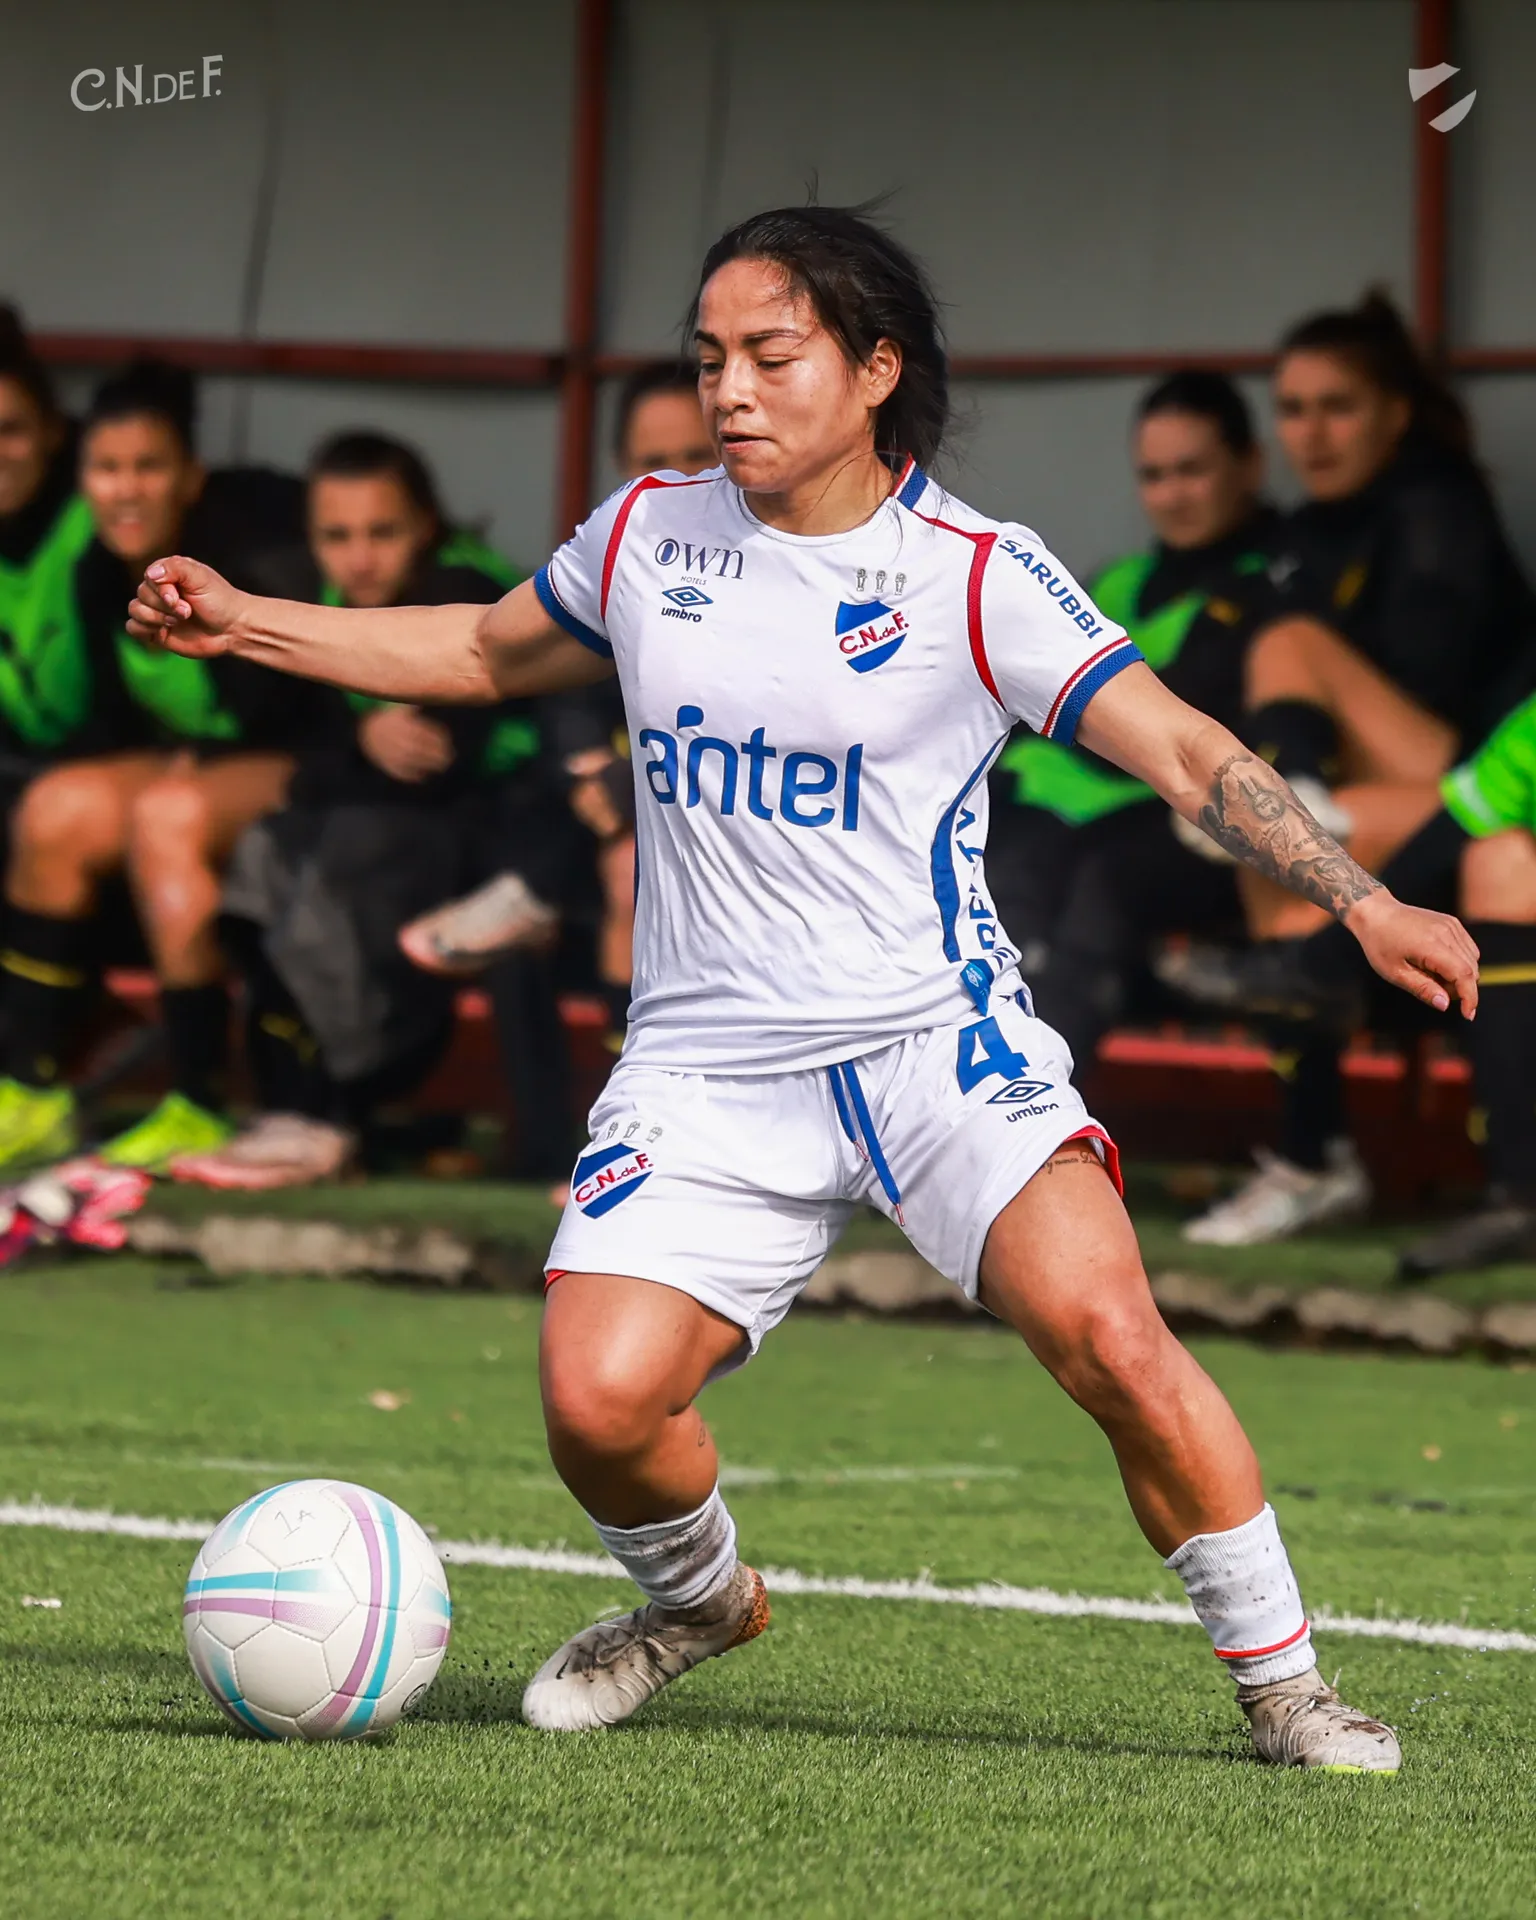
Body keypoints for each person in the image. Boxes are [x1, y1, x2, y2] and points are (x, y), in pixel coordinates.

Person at [129, 206, 1478, 1771]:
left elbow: (1182, 746)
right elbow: (487, 653)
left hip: (934, 1045)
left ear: (875, 368)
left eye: (771, 356)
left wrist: (1361, 896)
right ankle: (699, 1604)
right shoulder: (649, 534)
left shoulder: (976, 575)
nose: (731, 390)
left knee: (1112, 1335)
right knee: (597, 1403)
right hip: (705, 1069)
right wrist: (248, 622)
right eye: (711, 358)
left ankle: (1288, 1689)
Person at [1179, 292, 1536, 1246]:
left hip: (1471, 792)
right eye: (1293, 410)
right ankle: (1313, 1161)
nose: (1313, 432)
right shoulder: (1306, 531)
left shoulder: (1436, 507)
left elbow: (1435, 693)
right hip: (1397, 808)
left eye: (1338, 407)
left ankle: (1313, 1156)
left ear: (1395, 414)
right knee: (1280, 849)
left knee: (1290, 666)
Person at [172, 429, 580, 1189]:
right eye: (338, 536)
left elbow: (428, 767)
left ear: (425, 526)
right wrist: (359, 741)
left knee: (345, 852)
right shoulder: (305, 601)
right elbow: (299, 746)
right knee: (273, 847)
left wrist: (347, 758)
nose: (359, 558)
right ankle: (294, 1109)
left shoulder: (466, 586)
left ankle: (328, 1112)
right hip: (397, 830)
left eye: (381, 533)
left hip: (508, 841)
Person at [0, 359, 328, 1171]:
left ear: (189, 478)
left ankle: (200, 1102)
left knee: (167, 813)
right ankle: (32, 1089)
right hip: (193, 766)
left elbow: (297, 707)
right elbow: (115, 729)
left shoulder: (244, 560)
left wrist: (190, 768)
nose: (126, 490)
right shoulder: (94, 573)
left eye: (148, 467)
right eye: (107, 469)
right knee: (58, 806)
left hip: (308, 763)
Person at [408, 361, 716, 1039]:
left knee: (632, 857)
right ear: (622, 469)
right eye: (654, 463)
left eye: (699, 457)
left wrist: (623, 783)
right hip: (603, 829)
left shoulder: (777, 568)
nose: (678, 480)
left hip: (748, 831)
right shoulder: (607, 572)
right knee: (601, 842)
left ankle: (530, 892)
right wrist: (592, 774)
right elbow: (557, 697)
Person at [986, 371, 1284, 1070]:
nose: (1172, 494)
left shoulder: (1271, 584)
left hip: (1166, 821)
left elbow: (1180, 721)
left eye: (1192, 470)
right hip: (1039, 808)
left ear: (1249, 465)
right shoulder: (1117, 579)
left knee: (1084, 881)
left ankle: (1037, 1096)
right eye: (1154, 475)